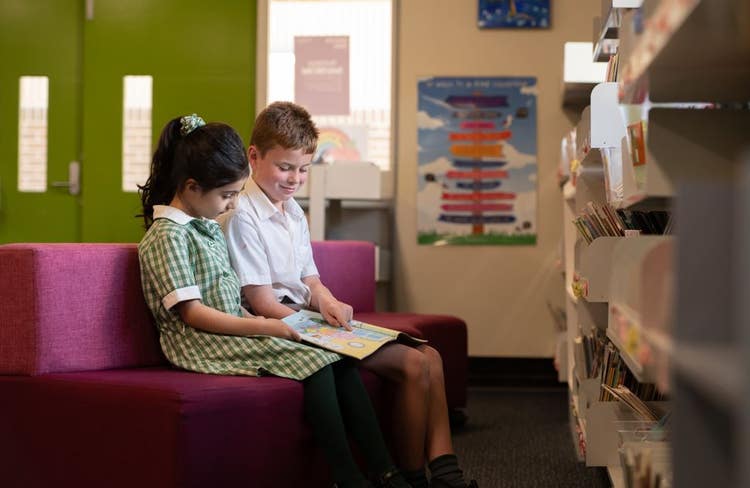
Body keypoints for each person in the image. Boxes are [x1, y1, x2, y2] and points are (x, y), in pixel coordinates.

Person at [137, 113, 411, 488]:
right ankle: (347, 476)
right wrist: (265, 325)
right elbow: (194, 315)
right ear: (191, 186)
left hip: (233, 326)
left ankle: (385, 469)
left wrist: (269, 322)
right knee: (316, 362)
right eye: (227, 195)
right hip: (200, 341)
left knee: (339, 361)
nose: (232, 205)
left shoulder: (202, 225)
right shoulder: (167, 235)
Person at [220, 102, 477, 488]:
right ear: (253, 157)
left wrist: (327, 301)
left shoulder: (292, 212)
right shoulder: (242, 213)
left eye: (303, 169)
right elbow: (261, 302)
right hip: (282, 323)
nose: (294, 179)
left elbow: (310, 281)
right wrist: (320, 325)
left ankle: (446, 473)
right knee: (413, 365)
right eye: (285, 167)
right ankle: (410, 477)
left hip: (309, 318)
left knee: (432, 357)